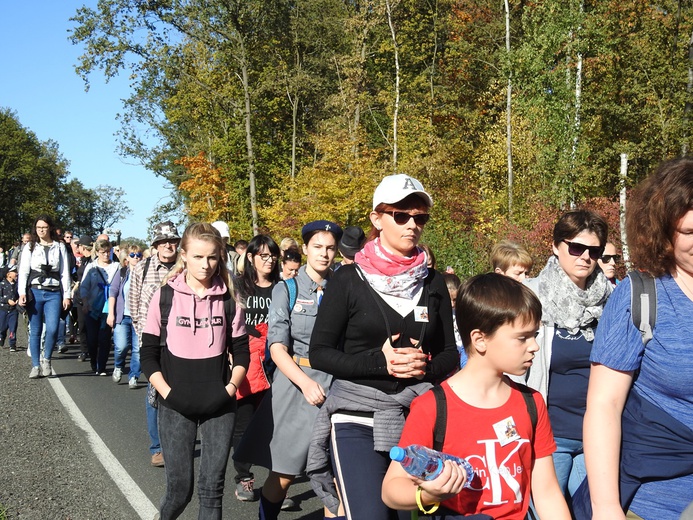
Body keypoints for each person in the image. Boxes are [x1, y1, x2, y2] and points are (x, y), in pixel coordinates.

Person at [307, 174, 459, 520]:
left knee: (419, 513)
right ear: (377, 219)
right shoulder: (347, 280)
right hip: (356, 415)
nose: (412, 225)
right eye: (401, 216)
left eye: (420, 218)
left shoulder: (432, 281)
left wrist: (424, 368)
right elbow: (320, 352)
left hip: (416, 415)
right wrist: (381, 365)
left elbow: (450, 352)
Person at [382, 273, 571, 520]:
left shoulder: (532, 403)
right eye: (522, 337)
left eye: (535, 335)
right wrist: (428, 494)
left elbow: (546, 492)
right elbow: (391, 490)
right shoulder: (433, 406)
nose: (534, 346)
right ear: (480, 340)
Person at [582, 157, 693, 520]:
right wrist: (605, 508)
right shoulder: (641, 296)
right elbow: (604, 406)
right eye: (689, 233)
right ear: (663, 232)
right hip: (654, 502)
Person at [234, 220, 343, 520]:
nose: (324, 254)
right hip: (296, 387)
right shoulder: (287, 289)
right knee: (284, 475)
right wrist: (305, 383)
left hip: (337, 386)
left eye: (330, 248)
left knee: (336, 474)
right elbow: (277, 347)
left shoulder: (343, 287)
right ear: (305, 249)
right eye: (317, 247)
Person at [141, 222, 250, 520]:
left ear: (220, 257)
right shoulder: (164, 297)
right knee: (180, 489)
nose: (206, 264)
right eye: (199, 257)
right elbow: (147, 356)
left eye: (212, 257)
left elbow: (242, 353)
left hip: (220, 405)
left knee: (212, 489)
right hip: (175, 405)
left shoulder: (229, 299)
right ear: (184, 255)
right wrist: (168, 393)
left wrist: (229, 390)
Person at [515, 209, 611, 505]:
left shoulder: (613, 300)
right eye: (576, 247)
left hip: (597, 435)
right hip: (547, 434)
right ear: (556, 246)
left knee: (590, 511)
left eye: (594, 251)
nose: (585, 257)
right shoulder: (529, 297)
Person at [231, 234, 281, 502]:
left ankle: (277, 486)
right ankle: (244, 478)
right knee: (243, 422)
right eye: (263, 255)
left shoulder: (283, 288)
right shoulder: (239, 287)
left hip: (276, 363)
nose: (269, 260)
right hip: (247, 363)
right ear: (250, 257)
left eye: (273, 255)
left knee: (278, 424)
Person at [129, 220, 181, 468]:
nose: (169, 245)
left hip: (181, 341)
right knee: (154, 394)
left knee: (179, 392)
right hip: (152, 341)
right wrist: (143, 340)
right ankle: (157, 447)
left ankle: (178, 441)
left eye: (172, 240)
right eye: (164, 241)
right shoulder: (141, 268)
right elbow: (134, 307)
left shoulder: (185, 268)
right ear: (156, 245)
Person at [17, 215, 71, 379]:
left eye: (44, 227)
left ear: (50, 228)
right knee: (35, 330)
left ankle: (46, 359)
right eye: (38, 227)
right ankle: (35, 365)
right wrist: (22, 293)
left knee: (54, 328)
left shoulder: (59, 246)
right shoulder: (30, 246)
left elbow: (65, 272)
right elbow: (24, 270)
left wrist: (67, 295)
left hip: (54, 292)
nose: (41, 230)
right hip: (35, 291)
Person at [80, 238, 119, 375]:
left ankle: (101, 366)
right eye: (102, 252)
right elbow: (84, 286)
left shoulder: (116, 267)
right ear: (97, 252)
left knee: (104, 338)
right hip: (92, 307)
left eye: (108, 251)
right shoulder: (91, 267)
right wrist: (85, 302)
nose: (105, 255)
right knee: (92, 338)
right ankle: (93, 361)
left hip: (108, 308)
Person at [107, 245, 143, 388]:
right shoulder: (122, 272)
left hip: (139, 318)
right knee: (121, 346)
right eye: (133, 255)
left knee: (138, 349)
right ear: (127, 257)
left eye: (138, 255)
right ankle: (118, 365)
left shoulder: (146, 274)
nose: (136, 257)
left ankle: (134, 376)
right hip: (122, 316)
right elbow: (113, 292)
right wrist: (111, 314)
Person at [443, 272, 465, 367]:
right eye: (449, 300)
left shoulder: (462, 311)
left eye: (455, 300)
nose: (452, 304)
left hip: (463, 350)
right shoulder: (441, 313)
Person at [0, 265, 19, 351]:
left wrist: (19, 300)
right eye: (14, 272)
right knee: (2, 327)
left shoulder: (17, 285)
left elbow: (19, 295)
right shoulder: (2, 284)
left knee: (13, 327)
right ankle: (1, 337)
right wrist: (7, 300)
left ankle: (12, 343)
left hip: (13, 310)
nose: (16, 274)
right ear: (8, 274)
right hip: (3, 309)